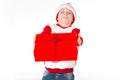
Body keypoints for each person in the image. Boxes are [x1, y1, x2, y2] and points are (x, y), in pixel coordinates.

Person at [40, 3, 83, 80]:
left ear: (73, 19)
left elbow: (78, 41)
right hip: (50, 70)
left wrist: (78, 40)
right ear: (57, 17)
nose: (65, 14)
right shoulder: (51, 27)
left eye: (69, 13)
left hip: (67, 72)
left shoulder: (73, 30)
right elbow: (43, 37)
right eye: (62, 12)